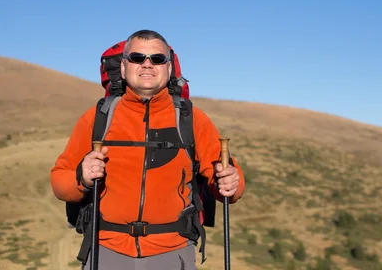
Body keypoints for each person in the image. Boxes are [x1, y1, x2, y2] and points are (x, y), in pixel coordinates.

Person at [50, 29, 245, 269]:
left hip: (173, 253)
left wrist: (232, 183)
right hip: (105, 250)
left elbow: (227, 181)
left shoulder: (192, 119)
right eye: (137, 58)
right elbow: (60, 180)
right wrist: (82, 177)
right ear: (123, 67)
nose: (147, 64)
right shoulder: (98, 118)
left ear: (169, 68)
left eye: (157, 59)